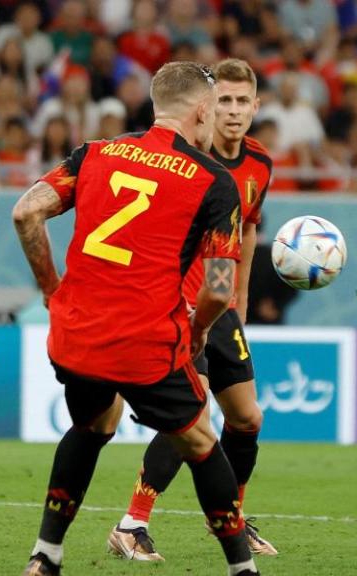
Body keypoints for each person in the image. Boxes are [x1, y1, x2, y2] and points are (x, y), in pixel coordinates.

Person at [13, 61, 259, 575]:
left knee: (92, 424)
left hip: (74, 334)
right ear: (200, 111)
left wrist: (50, 290)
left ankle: (45, 556)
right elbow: (218, 289)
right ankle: (243, 569)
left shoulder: (97, 153)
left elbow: (26, 211)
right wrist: (195, 333)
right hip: (145, 342)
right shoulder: (214, 182)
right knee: (200, 442)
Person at [107, 59, 276, 561]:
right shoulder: (185, 158)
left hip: (220, 305)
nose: (233, 111)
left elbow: (247, 229)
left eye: (243, 101)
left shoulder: (261, 164)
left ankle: (232, 519)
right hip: (176, 302)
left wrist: (239, 298)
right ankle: (132, 522)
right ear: (205, 106)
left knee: (247, 419)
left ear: (255, 107)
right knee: (194, 408)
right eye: (223, 100)